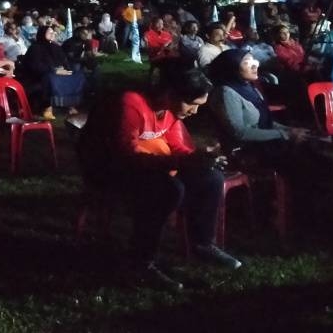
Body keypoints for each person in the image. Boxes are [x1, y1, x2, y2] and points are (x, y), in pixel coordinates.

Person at [87, 66, 242, 290]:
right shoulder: (131, 103)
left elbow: (177, 147)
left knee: (211, 179)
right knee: (168, 189)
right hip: (110, 169)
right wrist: (180, 162)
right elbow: (126, 154)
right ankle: (141, 262)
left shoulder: (169, 112)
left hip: (147, 165)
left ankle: (203, 244)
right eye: (192, 104)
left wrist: (199, 157)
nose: (194, 112)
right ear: (170, 93)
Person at [208, 50, 333, 190]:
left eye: (253, 60)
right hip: (246, 151)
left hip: (265, 145)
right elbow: (239, 132)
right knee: (310, 168)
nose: (254, 65)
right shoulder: (226, 93)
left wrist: (289, 130)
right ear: (232, 67)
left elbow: (266, 122)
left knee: (324, 162)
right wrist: (285, 135)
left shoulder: (249, 87)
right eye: (246, 62)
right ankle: (289, 205)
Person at [24, 25, 85, 120]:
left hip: (59, 73)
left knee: (76, 76)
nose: (52, 34)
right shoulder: (35, 48)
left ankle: (70, 105)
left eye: (53, 32)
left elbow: (64, 61)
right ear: (42, 34)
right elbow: (35, 66)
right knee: (49, 79)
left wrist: (67, 70)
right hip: (42, 75)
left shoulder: (56, 47)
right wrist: (54, 70)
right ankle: (47, 108)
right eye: (49, 32)